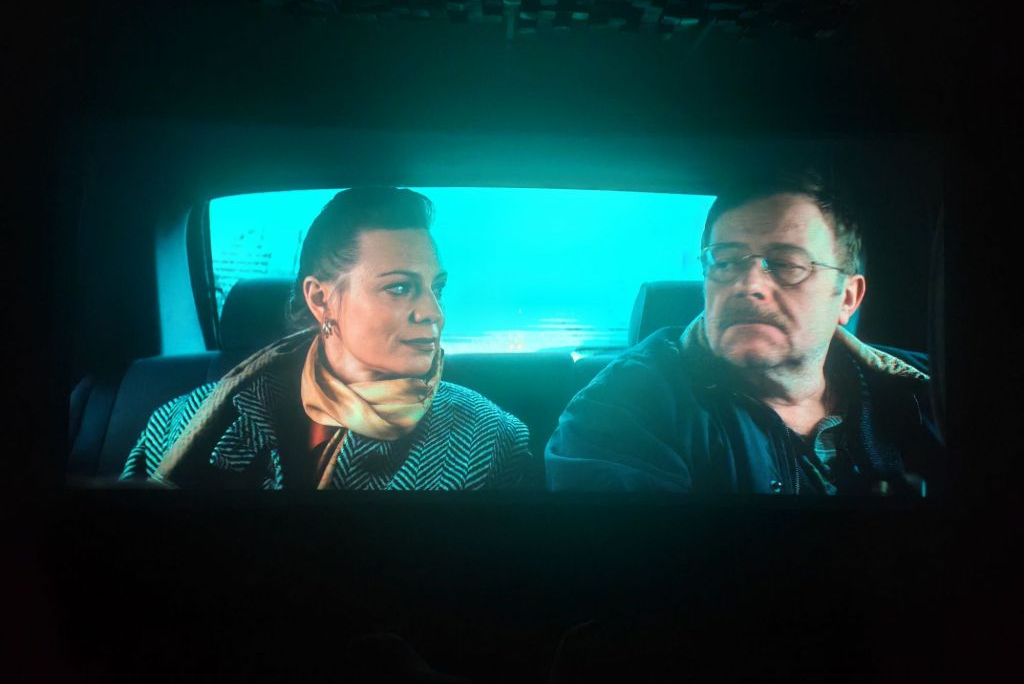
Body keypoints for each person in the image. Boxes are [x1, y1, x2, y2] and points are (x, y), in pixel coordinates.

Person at [545, 170, 941, 495]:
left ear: (848, 298)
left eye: (786, 264)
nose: (747, 284)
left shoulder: (924, 390)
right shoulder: (623, 408)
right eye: (726, 261)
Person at [122, 187, 531, 489]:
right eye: (399, 287)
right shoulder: (181, 421)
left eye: (436, 288)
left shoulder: (491, 439)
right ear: (321, 300)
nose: (434, 313)